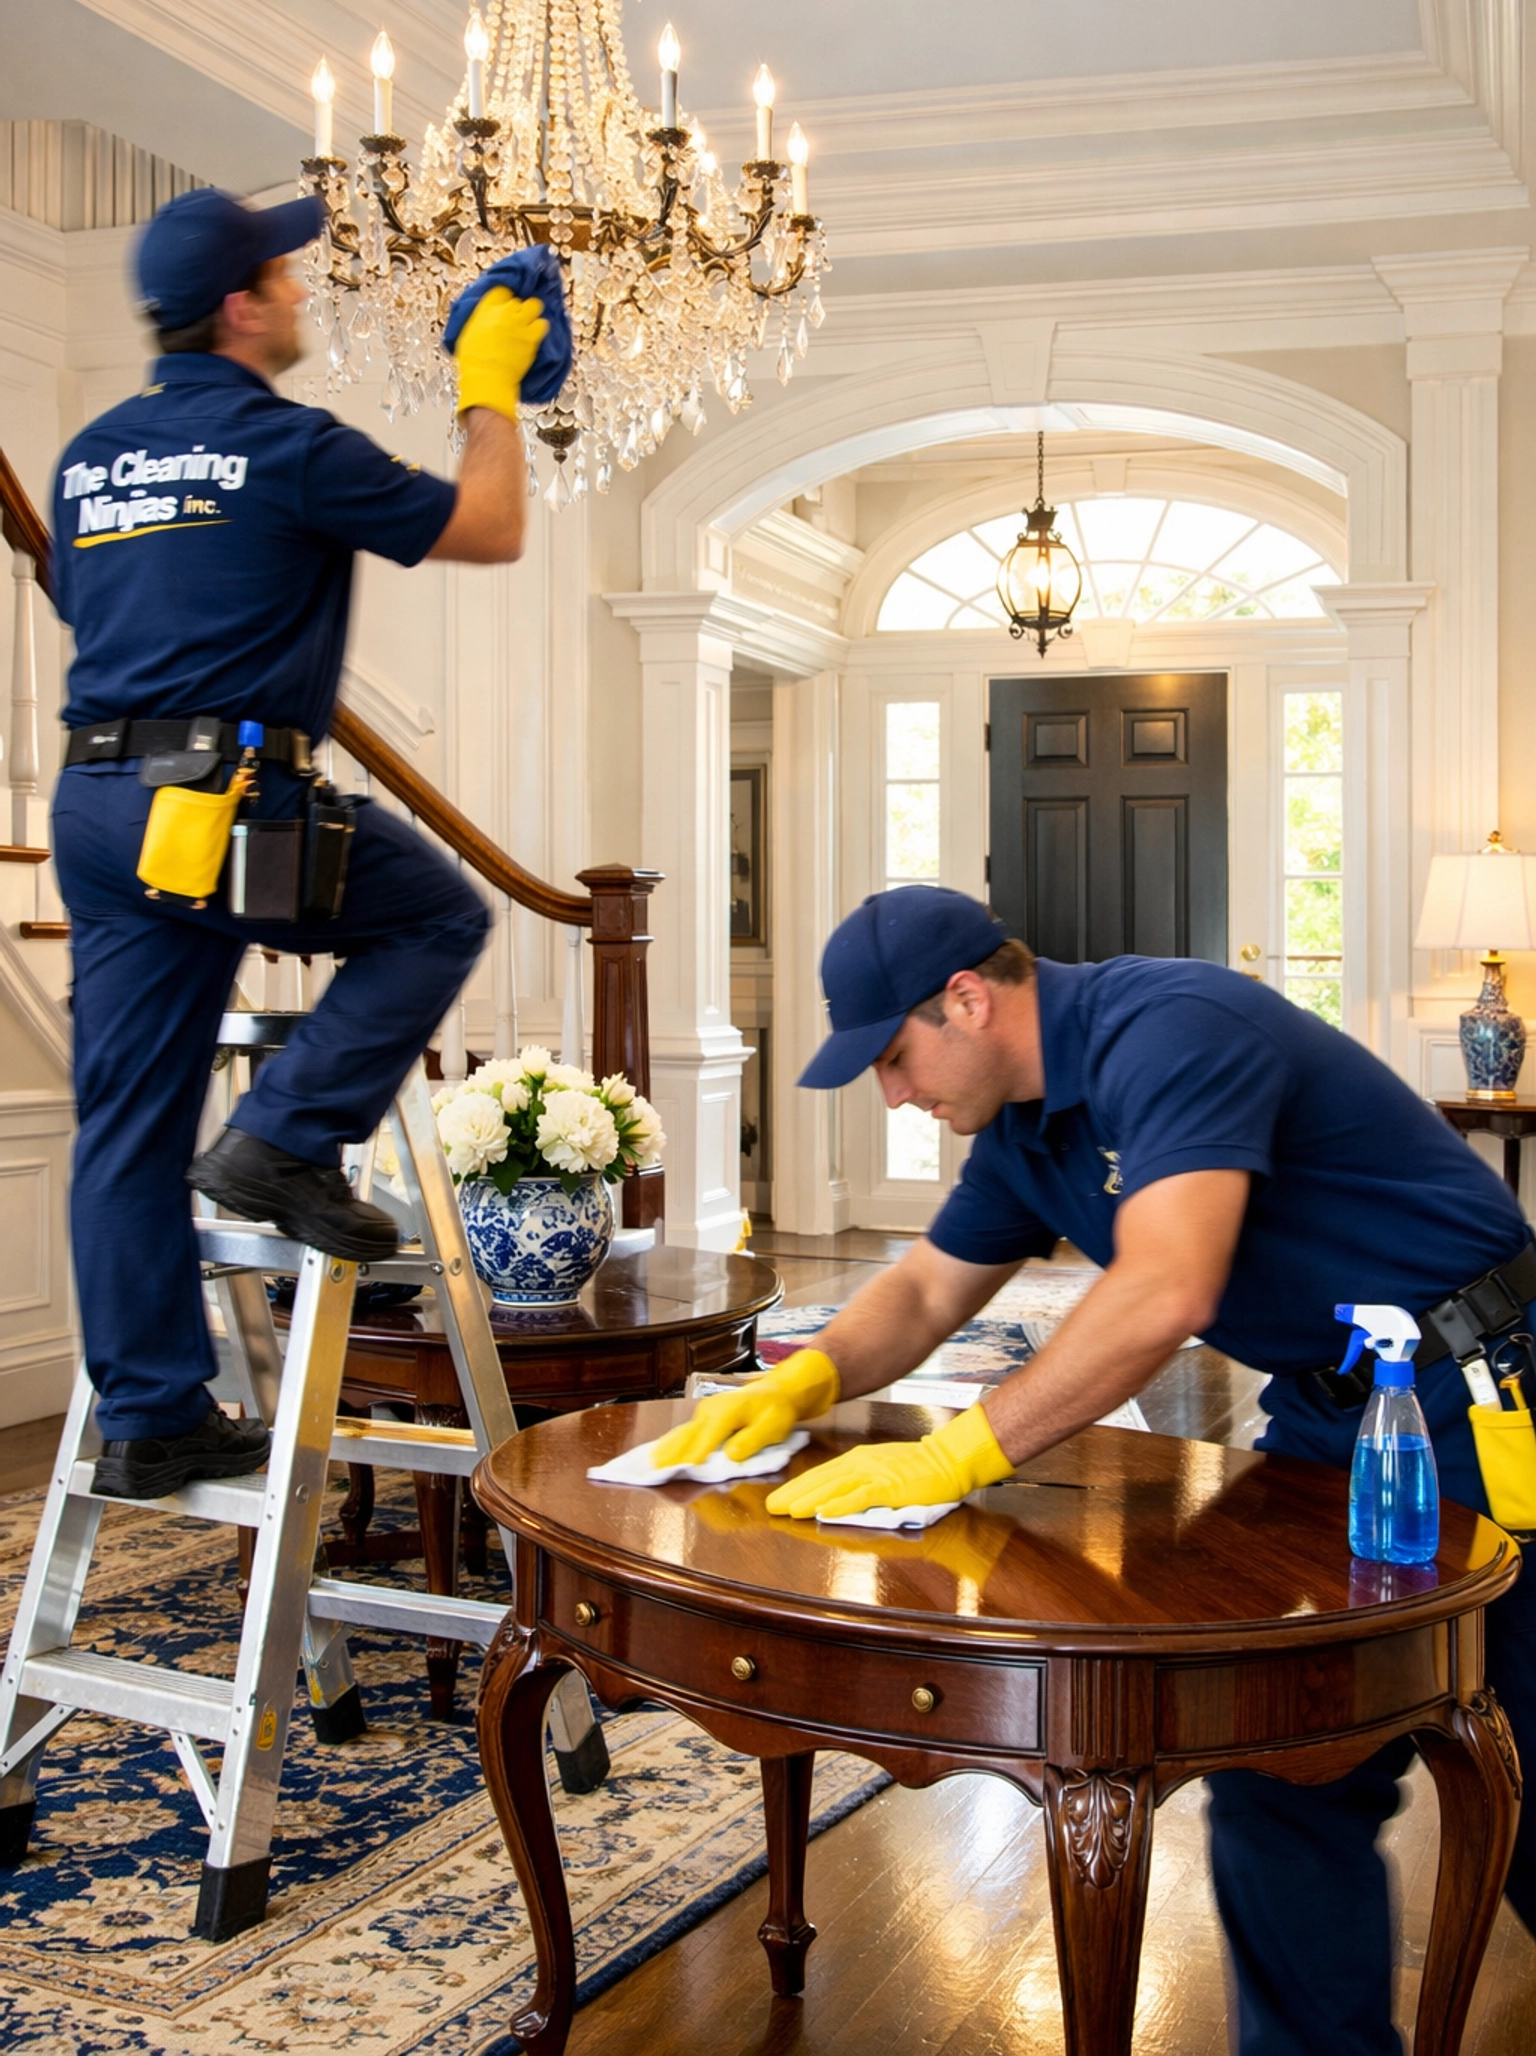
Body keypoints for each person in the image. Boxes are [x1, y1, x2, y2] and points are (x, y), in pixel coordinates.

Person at [654, 884, 1536, 2056]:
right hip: (1341, 1408)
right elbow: (924, 1289)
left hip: (1485, 1386)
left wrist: (959, 1452)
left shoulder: (1172, 1028)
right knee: (1284, 1762)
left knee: (1525, 1742)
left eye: (896, 1058)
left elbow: (1168, 1287)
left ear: (967, 999)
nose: (896, 1092)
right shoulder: (1026, 1127)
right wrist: (799, 1381)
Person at [51, 186, 556, 1502]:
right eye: (281, 275)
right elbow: (490, 527)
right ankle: (281, 1136)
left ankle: (153, 1417)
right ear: (237, 306)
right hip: (222, 804)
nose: (297, 292)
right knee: (438, 915)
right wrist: (487, 389)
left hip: (102, 807)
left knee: (126, 1126)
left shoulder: (91, 455)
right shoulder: (288, 447)